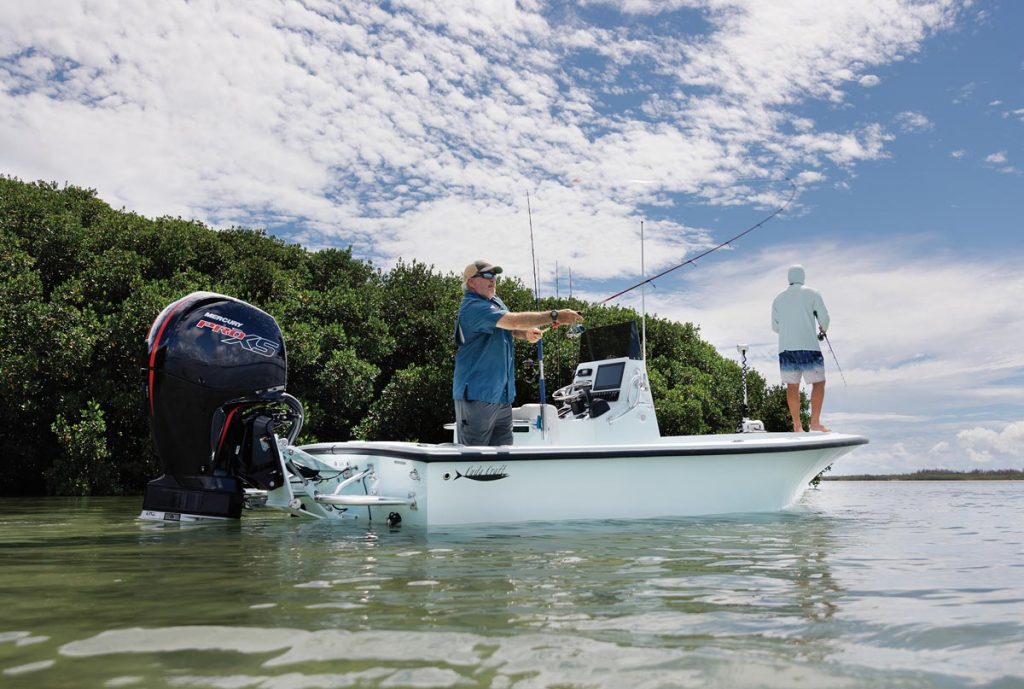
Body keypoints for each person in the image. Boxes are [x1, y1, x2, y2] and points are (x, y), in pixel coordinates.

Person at [453, 260, 583, 445]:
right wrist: (555, 316)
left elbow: (509, 327)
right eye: (487, 275)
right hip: (477, 396)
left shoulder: (495, 301)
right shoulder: (473, 307)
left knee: (505, 455)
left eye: (495, 276)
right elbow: (513, 320)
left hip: (502, 396)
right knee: (474, 458)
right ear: (471, 282)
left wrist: (525, 333)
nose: (493, 280)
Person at [771, 264, 831, 433]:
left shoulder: (778, 299)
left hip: (786, 349)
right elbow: (824, 319)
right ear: (802, 276)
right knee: (819, 382)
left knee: (792, 386)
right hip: (809, 346)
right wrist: (823, 329)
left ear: (789, 278)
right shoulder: (813, 293)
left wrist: (789, 330)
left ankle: (797, 426)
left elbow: (775, 327)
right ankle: (815, 423)